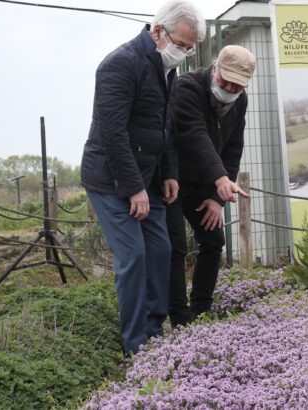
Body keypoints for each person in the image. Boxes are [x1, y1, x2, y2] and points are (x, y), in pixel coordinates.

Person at [80, 0, 205, 355]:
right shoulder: (119, 65)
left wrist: (169, 174)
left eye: (188, 48)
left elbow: (164, 127)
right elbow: (113, 132)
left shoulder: (166, 71)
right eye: (179, 44)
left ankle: (154, 330)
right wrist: (134, 188)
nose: (181, 53)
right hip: (109, 178)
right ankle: (135, 343)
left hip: (148, 177)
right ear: (157, 32)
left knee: (162, 249)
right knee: (133, 255)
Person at [167, 45, 256, 327]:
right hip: (172, 180)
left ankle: (201, 313)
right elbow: (195, 135)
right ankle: (179, 319)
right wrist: (221, 181)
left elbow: (232, 148)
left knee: (214, 241)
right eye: (225, 80)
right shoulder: (187, 88)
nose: (229, 87)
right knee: (176, 247)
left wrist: (217, 198)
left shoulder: (239, 101)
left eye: (237, 85)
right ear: (215, 67)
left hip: (205, 185)